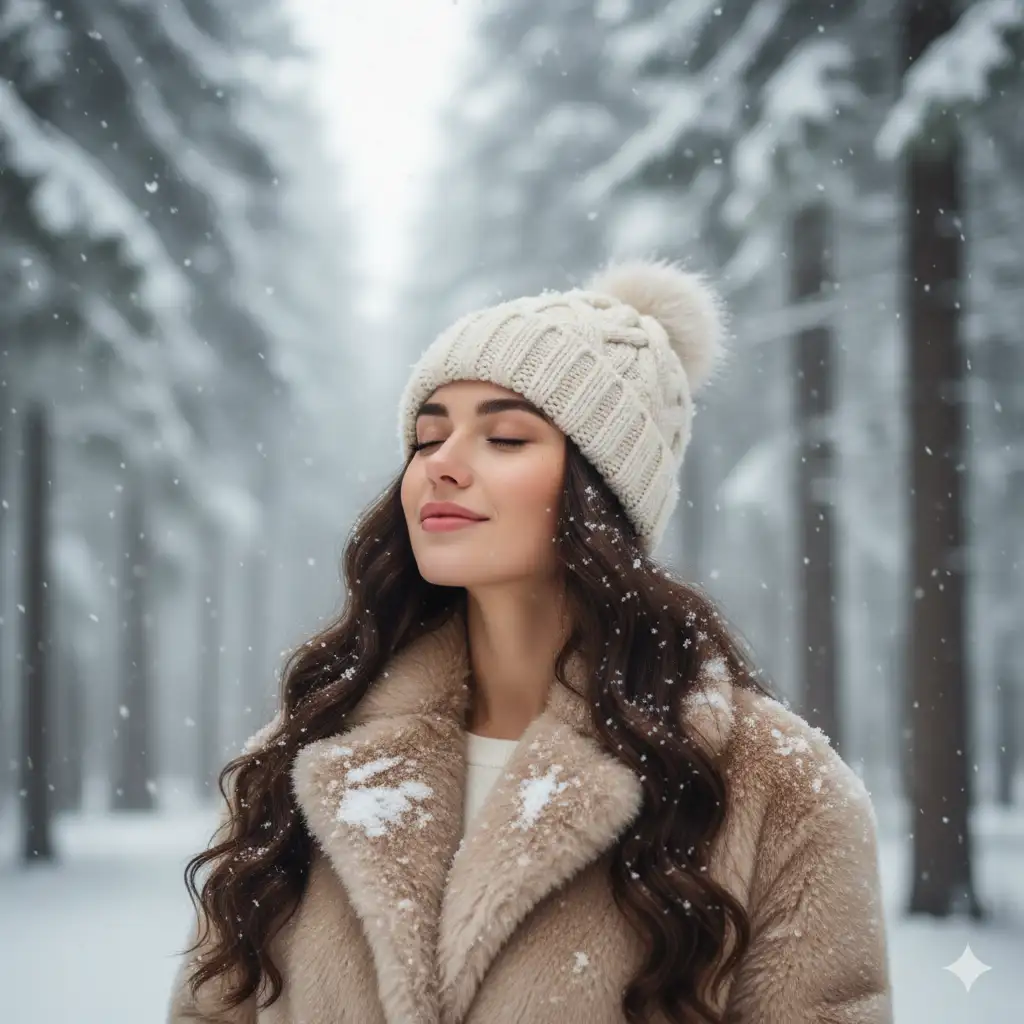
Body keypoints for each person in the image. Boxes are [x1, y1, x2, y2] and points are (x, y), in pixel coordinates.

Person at [167, 259, 894, 1024]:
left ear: (603, 494)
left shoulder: (775, 786)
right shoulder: (306, 755)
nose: (441, 466)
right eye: (426, 437)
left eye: (506, 437)